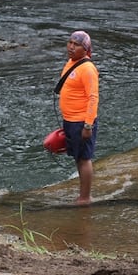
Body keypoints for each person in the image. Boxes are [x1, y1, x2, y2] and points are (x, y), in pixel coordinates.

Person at [58, 30, 99, 204]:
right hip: (70, 120)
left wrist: (88, 125)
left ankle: (85, 197)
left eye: (76, 45)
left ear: (86, 49)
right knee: (77, 157)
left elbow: (93, 97)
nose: (71, 47)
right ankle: (82, 194)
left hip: (82, 121)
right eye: (70, 43)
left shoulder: (88, 69)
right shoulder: (71, 62)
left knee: (84, 158)